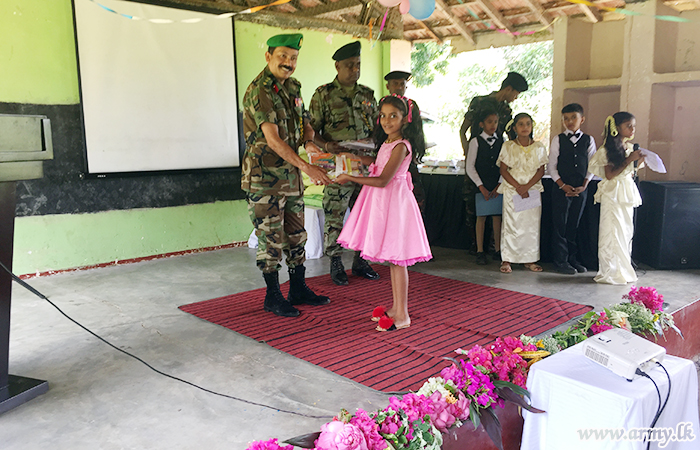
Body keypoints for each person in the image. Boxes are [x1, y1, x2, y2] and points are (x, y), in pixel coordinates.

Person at [241, 33, 332, 317]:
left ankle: (298, 288)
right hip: (264, 178)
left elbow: (303, 122)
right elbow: (273, 140)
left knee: (296, 235)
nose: (288, 62)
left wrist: (310, 142)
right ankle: (272, 296)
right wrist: (308, 167)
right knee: (270, 239)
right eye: (282, 56)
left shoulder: (293, 86)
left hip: (290, 177)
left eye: (293, 58)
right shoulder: (260, 90)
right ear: (268, 56)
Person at [336, 94, 432, 331]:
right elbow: (379, 161)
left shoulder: (401, 146)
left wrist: (349, 177)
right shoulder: (389, 143)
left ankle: (403, 315)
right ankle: (396, 307)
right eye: (383, 115)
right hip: (384, 203)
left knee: (398, 260)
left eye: (393, 116)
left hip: (394, 203)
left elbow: (382, 179)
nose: (387, 120)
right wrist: (355, 157)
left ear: (405, 119)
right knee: (392, 258)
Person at [309, 41, 379, 286]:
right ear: (337, 66)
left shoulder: (368, 94)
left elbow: (377, 128)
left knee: (365, 213)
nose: (354, 70)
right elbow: (310, 130)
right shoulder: (323, 94)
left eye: (358, 65)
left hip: (365, 164)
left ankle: (361, 260)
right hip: (338, 164)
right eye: (349, 65)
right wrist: (326, 145)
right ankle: (336, 262)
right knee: (335, 213)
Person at [459, 72, 529, 254]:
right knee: (474, 206)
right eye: (515, 94)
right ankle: (477, 246)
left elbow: (510, 137)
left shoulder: (506, 111)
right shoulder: (479, 102)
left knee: (496, 206)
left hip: (496, 161)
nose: (515, 98)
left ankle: (494, 246)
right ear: (508, 89)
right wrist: (468, 151)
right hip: (477, 158)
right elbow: (463, 130)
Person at [588, 112, 644, 285]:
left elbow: (629, 171)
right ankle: (610, 271)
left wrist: (638, 162)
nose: (632, 129)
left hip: (626, 191)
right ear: (616, 128)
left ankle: (623, 269)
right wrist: (628, 161)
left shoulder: (628, 147)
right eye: (628, 126)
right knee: (612, 231)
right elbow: (610, 175)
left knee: (625, 231)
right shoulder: (606, 150)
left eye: (633, 125)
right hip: (613, 193)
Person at [548, 103, 598, 275]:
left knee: (574, 225)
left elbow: (593, 165)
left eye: (573, 118)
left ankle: (572, 258)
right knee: (560, 225)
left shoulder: (589, 140)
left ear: (581, 119)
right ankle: (560, 260)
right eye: (566, 119)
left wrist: (584, 184)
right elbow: (551, 167)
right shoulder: (558, 140)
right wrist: (562, 185)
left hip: (581, 189)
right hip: (561, 188)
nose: (570, 121)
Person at [497, 113, 548, 274]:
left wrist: (526, 187)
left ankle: (530, 259)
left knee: (530, 225)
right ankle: (507, 259)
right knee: (511, 224)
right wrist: (518, 186)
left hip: (531, 190)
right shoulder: (508, 146)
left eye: (528, 124)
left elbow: (541, 170)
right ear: (514, 127)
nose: (525, 127)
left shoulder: (539, 147)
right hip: (513, 190)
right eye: (521, 124)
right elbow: (503, 170)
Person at [465, 108, 503, 265]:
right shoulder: (475, 141)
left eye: (495, 122)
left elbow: (505, 165)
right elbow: (470, 166)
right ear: (481, 124)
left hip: (497, 184)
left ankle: (498, 250)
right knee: (481, 217)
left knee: (497, 217)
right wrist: (481, 186)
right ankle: (480, 250)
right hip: (481, 185)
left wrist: (500, 184)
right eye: (489, 122)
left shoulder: (502, 140)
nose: (493, 125)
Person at [384, 70, 427, 210]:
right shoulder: (383, 105)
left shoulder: (411, 106)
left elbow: (418, 133)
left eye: (402, 84)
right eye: (395, 84)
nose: (399, 87)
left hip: (407, 157)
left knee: (413, 200)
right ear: (388, 87)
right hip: (387, 156)